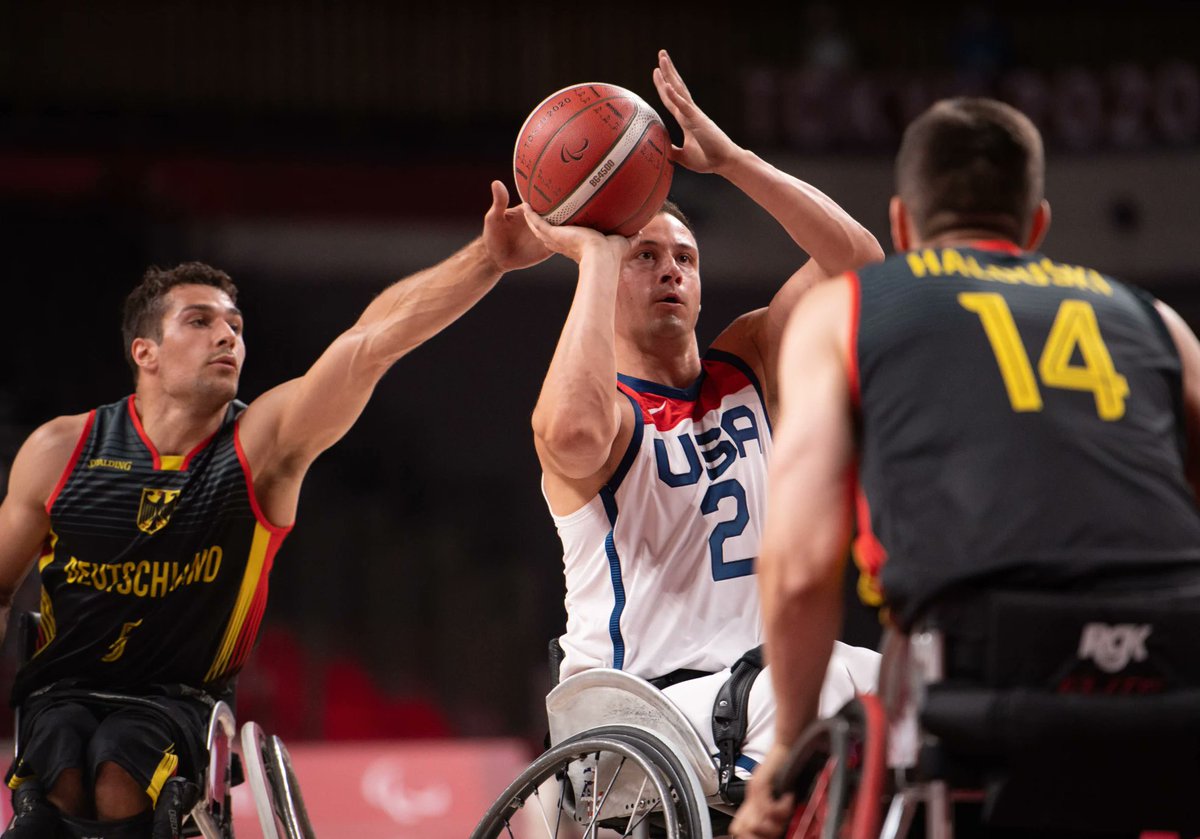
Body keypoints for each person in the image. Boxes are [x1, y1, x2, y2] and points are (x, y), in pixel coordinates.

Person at [0, 180, 550, 839]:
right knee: (54, 786)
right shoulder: (62, 448)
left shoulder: (258, 444)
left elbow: (368, 342)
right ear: (143, 352)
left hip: (179, 705)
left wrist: (487, 259)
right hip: (60, 693)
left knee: (119, 775)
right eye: (200, 321)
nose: (227, 334)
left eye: (235, 323)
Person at [731, 96, 1200, 838]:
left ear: (901, 223)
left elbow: (798, 565)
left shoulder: (849, 311)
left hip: (984, 679)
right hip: (1175, 669)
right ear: (1038, 223)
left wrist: (785, 747)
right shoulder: (1157, 323)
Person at [521, 48, 884, 794]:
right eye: (644, 255)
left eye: (684, 256)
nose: (671, 270)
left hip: (752, 691)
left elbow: (860, 263)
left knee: (906, 683)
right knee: (832, 681)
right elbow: (571, 439)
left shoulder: (751, 359)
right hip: (635, 712)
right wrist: (593, 252)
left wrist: (736, 162)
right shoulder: (606, 413)